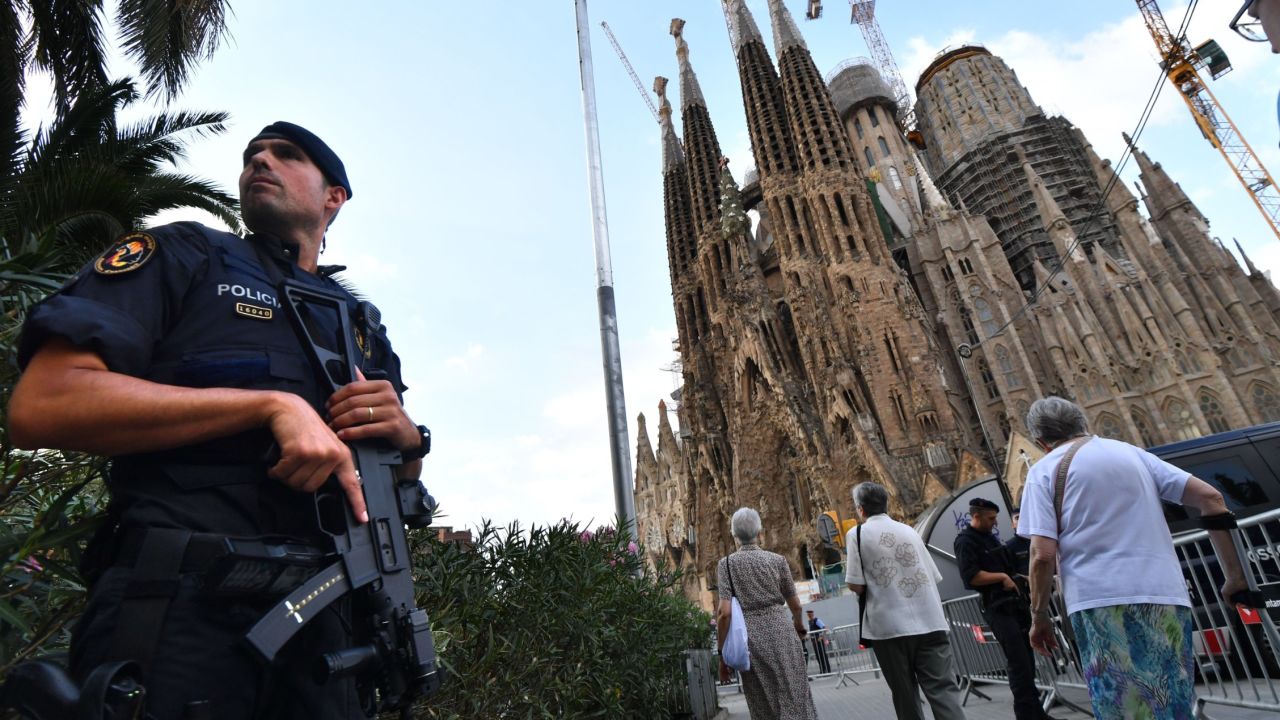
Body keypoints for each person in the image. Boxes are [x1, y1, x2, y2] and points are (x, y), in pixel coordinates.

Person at [8, 122, 432, 719]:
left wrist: (411, 439)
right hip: (182, 609)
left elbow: (398, 472)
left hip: (334, 633)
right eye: (252, 155)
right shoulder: (186, 255)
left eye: (286, 155)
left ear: (334, 196)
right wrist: (269, 405)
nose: (261, 161)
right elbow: (45, 404)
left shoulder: (358, 322)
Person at [1019, 397, 1249, 720]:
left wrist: (1039, 615)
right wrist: (1235, 576)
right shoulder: (1132, 453)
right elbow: (1212, 498)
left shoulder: (1043, 471)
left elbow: (1042, 555)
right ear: (1084, 424)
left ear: (1041, 442)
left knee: (1123, 708)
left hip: (1101, 603)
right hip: (1166, 595)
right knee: (1172, 704)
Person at [846, 482, 966, 720]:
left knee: (906, 696)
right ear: (886, 504)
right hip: (931, 622)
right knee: (944, 692)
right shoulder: (909, 531)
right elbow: (933, 576)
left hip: (890, 629)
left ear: (861, 509)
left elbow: (856, 584)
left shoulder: (857, 534)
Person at [715, 508, 818, 720]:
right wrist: (798, 626)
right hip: (783, 631)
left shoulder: (726, 565)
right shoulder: (777, 561)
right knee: (795, 694)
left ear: (734, 535)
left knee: (762, 702)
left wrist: (722, 654)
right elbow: (796, 605)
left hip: (751, 640)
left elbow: (724, 613)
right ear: (760, 532)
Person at [954, 498, 1049, 720]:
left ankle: (1037, 713)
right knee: (1018, 663)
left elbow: (1006, 565)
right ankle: (1026, 715)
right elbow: (971, 576)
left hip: (1015, 604)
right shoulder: (965, 541)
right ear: (976, 516)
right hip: (997, 607)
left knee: (1027, 662)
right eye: (991, 518)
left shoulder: (990, 537)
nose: (995, 523)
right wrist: (1002, 577)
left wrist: (1022, 578)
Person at [805, 609, 831, 674]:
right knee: (818, 656)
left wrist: (821, 636)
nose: (809, 614)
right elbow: (810, 632)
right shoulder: (809, 622)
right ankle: (822, 670)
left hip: (819, 641)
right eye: (808, 613)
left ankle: (827, 670)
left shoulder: (817, 620)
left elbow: (825, 628)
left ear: (813, 614)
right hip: (814, 641)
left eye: (810, 613)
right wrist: (808, 637)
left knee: (823, 655)